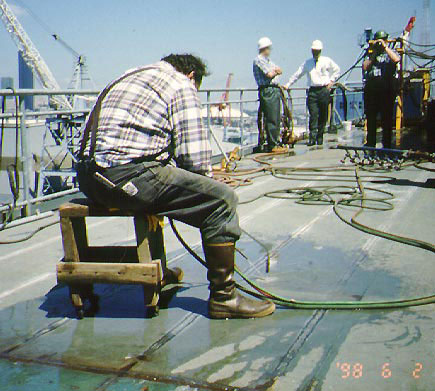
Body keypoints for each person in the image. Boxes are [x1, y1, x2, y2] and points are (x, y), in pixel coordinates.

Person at [76, 54, 275, 319]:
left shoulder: (131, 73)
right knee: (222, 201)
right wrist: (206, 180)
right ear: (192, 75)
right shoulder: (182, 84)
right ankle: (224, 298)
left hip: (89, 179)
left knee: (162, 184)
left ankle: (161, 269)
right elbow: (194, 161)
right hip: (126, 179)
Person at [285, 40, 340, 146]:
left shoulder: (326, 60)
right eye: (314, 51)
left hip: (324, 90)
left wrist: (332, 81)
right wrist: (288, 84)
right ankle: (312, 138)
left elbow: (337, 70)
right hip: (313, 91)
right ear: (311, 50)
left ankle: (320, 137)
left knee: (323, 115)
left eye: (317, 51)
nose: (315, 53)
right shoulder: (307, 63)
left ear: (320, 50)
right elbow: (298, 74)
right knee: (313, 114)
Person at [362, 30, 400, 148]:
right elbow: (365, 67)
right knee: (371, 118)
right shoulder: (370, 54)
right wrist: (374, 53)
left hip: (386, 90)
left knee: (386, 119)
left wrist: (385, 48)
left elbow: (396, 59)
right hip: (372, 91)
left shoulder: (390, 53)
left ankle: (387, 144)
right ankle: (371, 143)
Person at [253, 37, 287, 152]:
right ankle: (272, 144)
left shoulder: (267, 61)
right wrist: (275, 71)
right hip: (268, 90)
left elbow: (278, 70)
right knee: (271, 117)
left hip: (273, 90)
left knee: (276, 116)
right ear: (265, 48)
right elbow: (269, 74)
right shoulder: (259, 60)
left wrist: (276, 71)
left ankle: (275, 142)